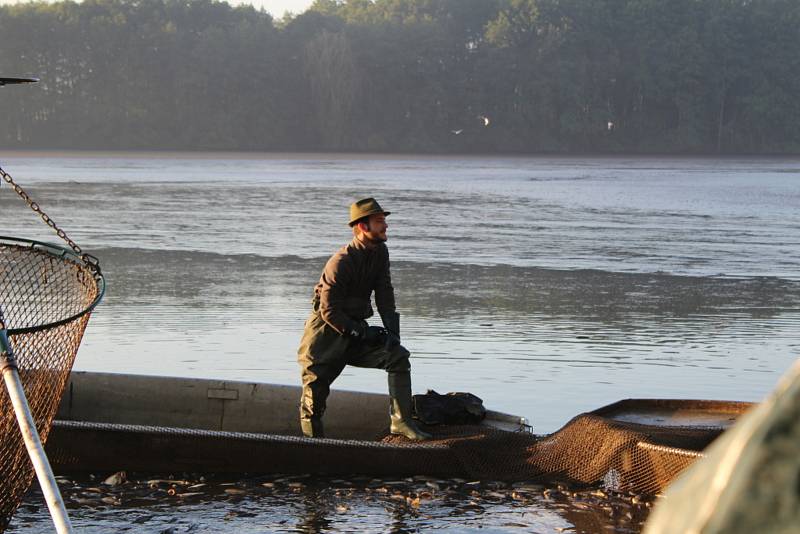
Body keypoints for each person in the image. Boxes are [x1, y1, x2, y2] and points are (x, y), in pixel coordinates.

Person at [296, 197, 431, 441]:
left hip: (356, 331)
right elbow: (329, 312)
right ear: (362, 227)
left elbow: (384, 292)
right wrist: (365, 333)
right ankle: (313, 449)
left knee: (397, 357)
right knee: (313, 403)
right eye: (379, 222)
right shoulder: (341, 262)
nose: (386, 226)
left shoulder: (380, 252)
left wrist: (393, 332)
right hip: (325, 337)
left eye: (384, 221)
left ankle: (401, 422)